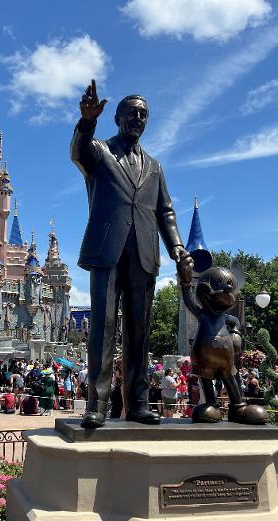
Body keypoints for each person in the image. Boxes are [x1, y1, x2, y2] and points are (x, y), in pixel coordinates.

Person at [71, 80, 192, 428]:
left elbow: (165, 212)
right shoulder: (100, 152)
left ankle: (138, 403)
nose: (138, 119)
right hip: (106, 252)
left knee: (140, 330)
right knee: (103, 328)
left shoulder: (154, 166)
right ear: (119, 118)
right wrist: (87, 121)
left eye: (143, 115)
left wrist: (177, 249)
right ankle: (97, 402)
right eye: (132, 113)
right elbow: (78, 152)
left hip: (144, 254)